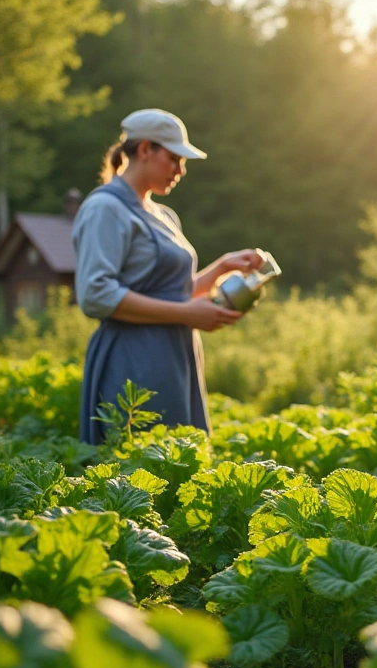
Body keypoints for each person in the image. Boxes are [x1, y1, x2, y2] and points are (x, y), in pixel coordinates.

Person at [73, 108, 262, 445]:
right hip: (134, 363)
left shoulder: (164, 215)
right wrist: (186, 315)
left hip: (173, 360)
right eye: (174, 158)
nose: (181, 170)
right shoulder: (105, 209)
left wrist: (222, 268)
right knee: (138, 471)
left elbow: (175, 291)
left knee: (178, 466)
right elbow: (95, 294)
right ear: (145, 150)